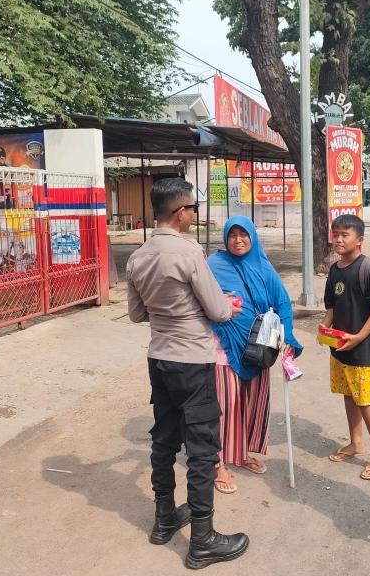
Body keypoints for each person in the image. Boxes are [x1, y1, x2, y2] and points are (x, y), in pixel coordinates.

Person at [126, 177, 249, 569]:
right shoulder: (189, 252)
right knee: (201, 447)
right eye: (193, 209)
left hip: (159, 359)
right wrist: (228, 306)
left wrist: (170, 309)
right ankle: (203, 538)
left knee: (163, 438)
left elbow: (136, 313)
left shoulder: (138, 256)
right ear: (180, 213)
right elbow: (217, 310)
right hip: (193, 360)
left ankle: (164, 519)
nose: (195, 214)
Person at [207, 216, 303, 494]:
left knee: (251, 403)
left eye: (243, 234)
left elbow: (282, 301)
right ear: (225, 238)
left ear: (252, 236)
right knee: (224, 406)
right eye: (232, 235)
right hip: (225, 346)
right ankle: (217, 463)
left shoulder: (263, 265)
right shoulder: (213, 265)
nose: (238, 240)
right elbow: (199, 297)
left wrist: (289, 336)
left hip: (260, 347)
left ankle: (242, 452)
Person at [320, 214, 370, 481]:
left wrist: (359, 336)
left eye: (345, 235)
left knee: (366, 401)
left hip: (364, 348)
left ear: (359, 240)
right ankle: (356, 442)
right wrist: (325, 327)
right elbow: (331, 304)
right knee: (349, 394)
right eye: (336, 234)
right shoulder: (335, 269)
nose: (339, 239)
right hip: (340, 347)